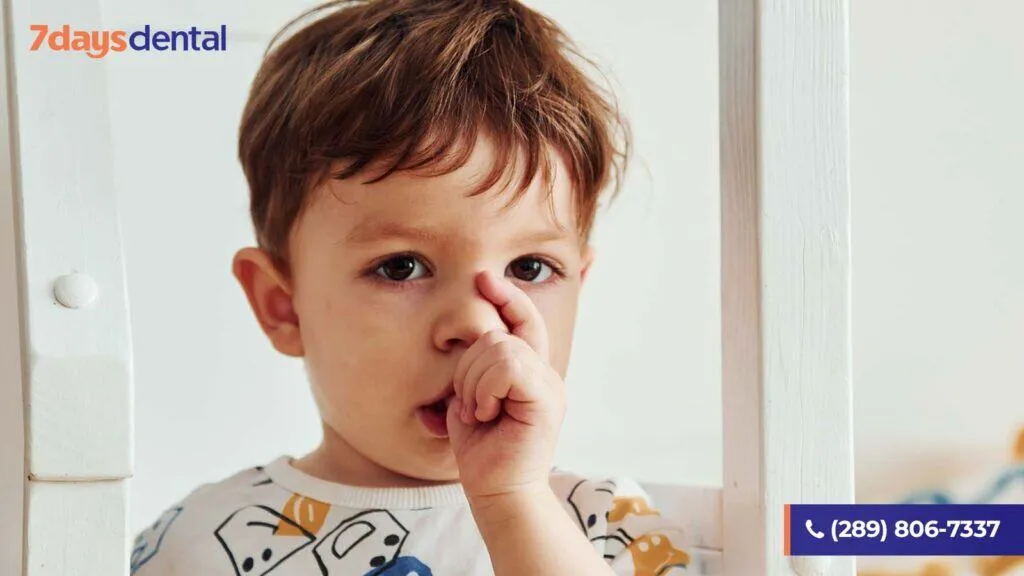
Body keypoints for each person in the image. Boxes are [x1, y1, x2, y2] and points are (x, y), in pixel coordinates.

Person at [130, 0, 691, 573]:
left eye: (529, 268)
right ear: (283, 306)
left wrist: (512, 499)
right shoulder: (200, 544)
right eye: (401, 267)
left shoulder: (605, 527)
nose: (478, 323)